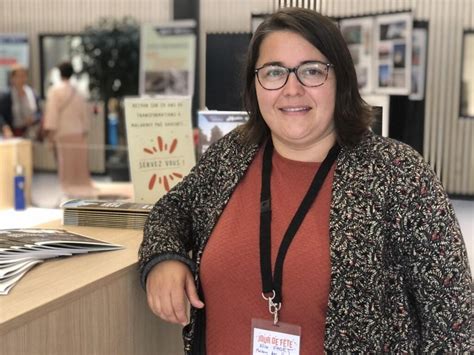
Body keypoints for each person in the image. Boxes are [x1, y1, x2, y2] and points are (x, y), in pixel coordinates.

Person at [139, 8, 472, 354]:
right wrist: (163, 258)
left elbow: (454, 324)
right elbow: (172, 209)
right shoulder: (233, 154)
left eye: (312, 71)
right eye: (274, 72)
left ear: (340, 79)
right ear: (255, 84)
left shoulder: (398, 174)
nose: (291, 89)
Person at [43, 61, 96, 199]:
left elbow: (52, 113)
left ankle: (68, 190)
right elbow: (84, 112)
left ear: (60, 73)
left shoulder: (55, 90)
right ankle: (82, 189)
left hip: (62, 131)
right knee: (80, 163)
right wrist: (85, 129)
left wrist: (50, 133)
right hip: (78, 131)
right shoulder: (79, 90)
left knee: (65, 163)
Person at [0, 64, 42, 137]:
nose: (21, 79)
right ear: (12, 78)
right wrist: (5, 127)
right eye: (18, 76)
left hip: (30, 131)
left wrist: (34, 118)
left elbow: (40, 113)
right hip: (12, 132)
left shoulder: (32, 93)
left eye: (23, 76)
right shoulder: (6, 95)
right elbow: (1, 114)